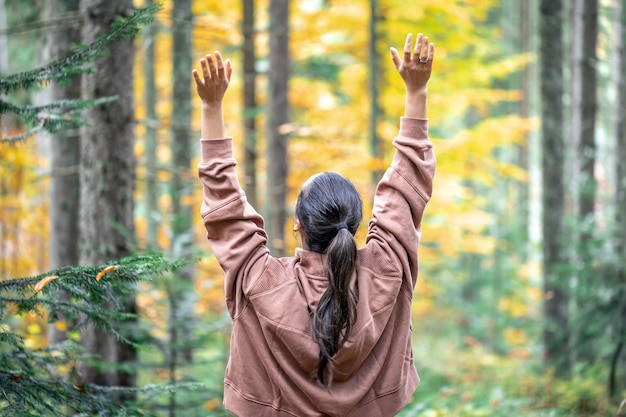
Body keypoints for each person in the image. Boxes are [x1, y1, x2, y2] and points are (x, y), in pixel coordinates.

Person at [193, 32, 436, 417]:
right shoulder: (386, 269)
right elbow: (407, 185)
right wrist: (417, 91)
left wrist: (211, 107)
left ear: (297, 227)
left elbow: (225, 207)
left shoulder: (261, 281)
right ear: (355, 225)